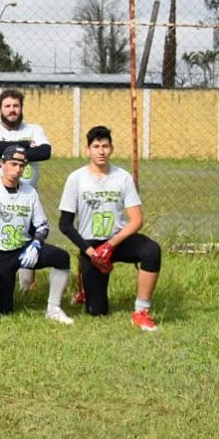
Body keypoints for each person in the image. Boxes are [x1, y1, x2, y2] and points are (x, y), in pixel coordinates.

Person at [58, 125, 161, 331]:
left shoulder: (122, 177)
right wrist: (91, 252)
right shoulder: (76, 178)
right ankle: (85, 287)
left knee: (152, 251)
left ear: (112, 149)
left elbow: (136, 220)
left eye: (105, 146)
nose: (101, 151)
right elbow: (65, 224)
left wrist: (110, 245)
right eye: (96, 146)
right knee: (97, 311)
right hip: (91, 245)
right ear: (88, 150)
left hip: (117, 240)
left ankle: (141, 312)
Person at [0, 145, 73, 324]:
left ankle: (53, 308)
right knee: (4, 312)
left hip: (24, 249)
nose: (17, 169)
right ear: (2, 164)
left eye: (22, 165)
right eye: (13, 164)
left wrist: (36, 244)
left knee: (61, 257)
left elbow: (42, 225)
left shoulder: (29, 192)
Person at [0, 88, 51, 189]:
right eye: (7, 106)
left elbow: (45, 152)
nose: (12, 110)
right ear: (0, 108)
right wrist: (26, 145)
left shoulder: (34, 129)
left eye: (16, 106)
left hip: (27, 194)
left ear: (22, 107)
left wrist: (6, 152)